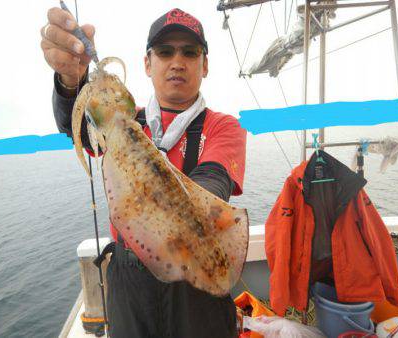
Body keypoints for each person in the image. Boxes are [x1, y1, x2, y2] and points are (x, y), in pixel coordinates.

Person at [41, 7, 247, 338]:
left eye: (189, 52)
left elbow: (212, 185)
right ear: (148, 64)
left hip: (195, 280)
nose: (177, 61)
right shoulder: (121, 120)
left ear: (204, 64)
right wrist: (70, 81)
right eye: (165, 51)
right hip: (128, 281)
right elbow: (75, 126)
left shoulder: (223, 127)